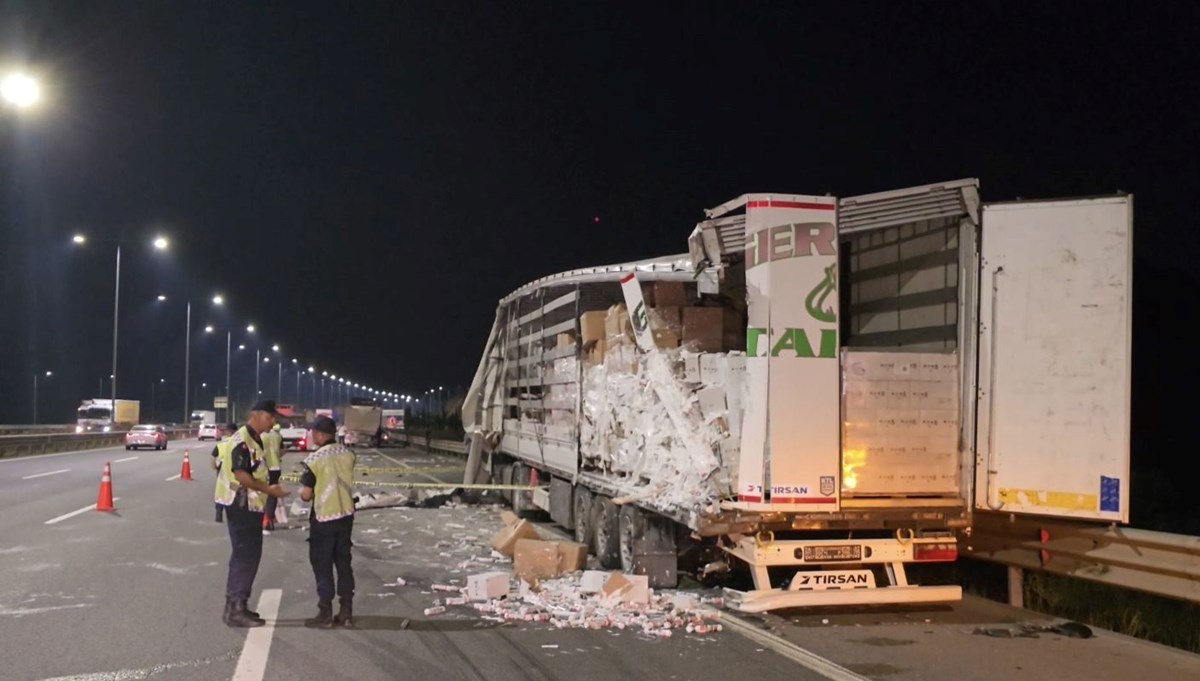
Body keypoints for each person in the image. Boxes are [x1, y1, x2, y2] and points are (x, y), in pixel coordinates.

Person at [214, 400, 289, 627]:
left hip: (247, 504)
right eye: (269, 417)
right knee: (246, 556)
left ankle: (235, 606)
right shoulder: (242, 441)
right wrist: (269, 489)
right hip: (241, 505)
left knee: (244, 555)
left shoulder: (255, 439)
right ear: (255, 415)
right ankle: (236, 608)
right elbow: (241, 475)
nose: (273, 421)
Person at [300, 415, 357, 628]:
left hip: (323, 518)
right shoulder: (348, 455)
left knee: (322, 564)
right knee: (343, 563)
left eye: (313, 432)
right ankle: (346, 611)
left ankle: (325, 613)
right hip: (345, 515)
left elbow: (306, 495)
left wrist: (301, 493)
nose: (311, 435)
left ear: (321, 434)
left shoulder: (314, 460)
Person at [211, 422, 238, 523]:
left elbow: (213, 458)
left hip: (222, 473)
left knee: (220, 492)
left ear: (227, 431)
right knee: (234, 493)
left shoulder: (221, 444)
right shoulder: (239, 443)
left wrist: (215, 467)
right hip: (236, 473)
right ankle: (233, 516)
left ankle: (219, 512)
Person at [261, 423, 284, 532]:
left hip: (264, 469)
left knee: (262, 494)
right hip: (276, 468)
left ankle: (264, 519)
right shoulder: (277, 436)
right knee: (273, 494)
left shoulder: (259, 436)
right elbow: (282, 450)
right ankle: (269, 519)